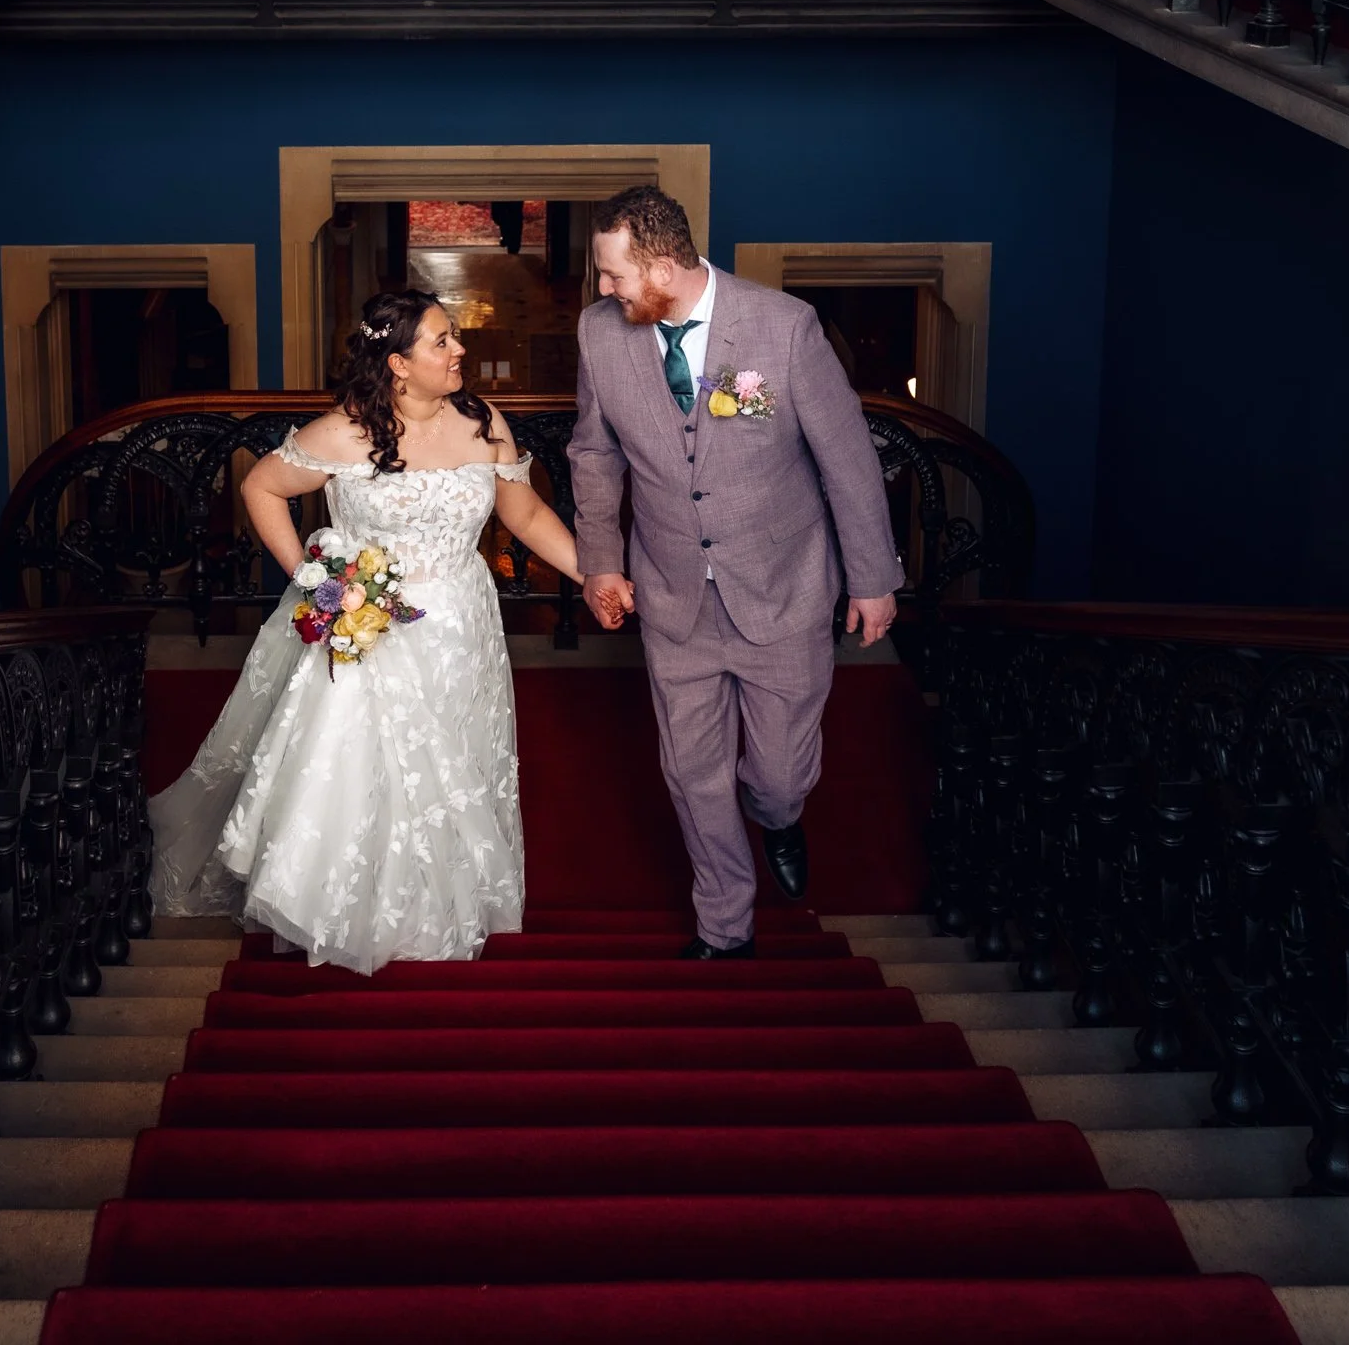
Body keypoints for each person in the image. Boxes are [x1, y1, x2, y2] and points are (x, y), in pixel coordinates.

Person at [146, 288, 585, 972]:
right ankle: (357, 914)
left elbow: (524, 518)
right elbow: (261, 487)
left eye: (453, 337)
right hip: (374, 628)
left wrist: (595, 575)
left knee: (460, 767)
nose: (460, 350)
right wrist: (317, 582)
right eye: (442, 341)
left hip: (463, 624)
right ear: (399, 364)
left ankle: (446, 909)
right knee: (370, 770)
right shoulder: (343, 433)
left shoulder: (482, 420)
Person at [568, 186, 902, 958]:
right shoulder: (599, 333)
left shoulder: (785, 328)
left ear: (662, 265)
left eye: (615, 275)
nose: (605, 290)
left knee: (779, 773)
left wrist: (872, 578)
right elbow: (593, 453)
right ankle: (725, 924)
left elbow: (847, 459)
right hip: (672, 591)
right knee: (693, 773)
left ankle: (780, 815)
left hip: (782, 588)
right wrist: (600, 564)